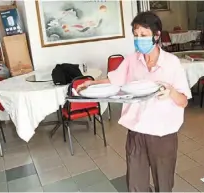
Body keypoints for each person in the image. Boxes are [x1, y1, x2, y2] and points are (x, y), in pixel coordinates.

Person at [77, 11, 192, 192]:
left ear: (156, 35)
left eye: (144, 36)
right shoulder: (132, 60)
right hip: (136, 131)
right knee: (135, 184)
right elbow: (114, 80)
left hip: (162, 134)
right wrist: (92, 82)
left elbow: (183, 101)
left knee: (163, 183)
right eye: (136, 36)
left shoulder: (172, 63)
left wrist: (170, 92)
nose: (139, 40)